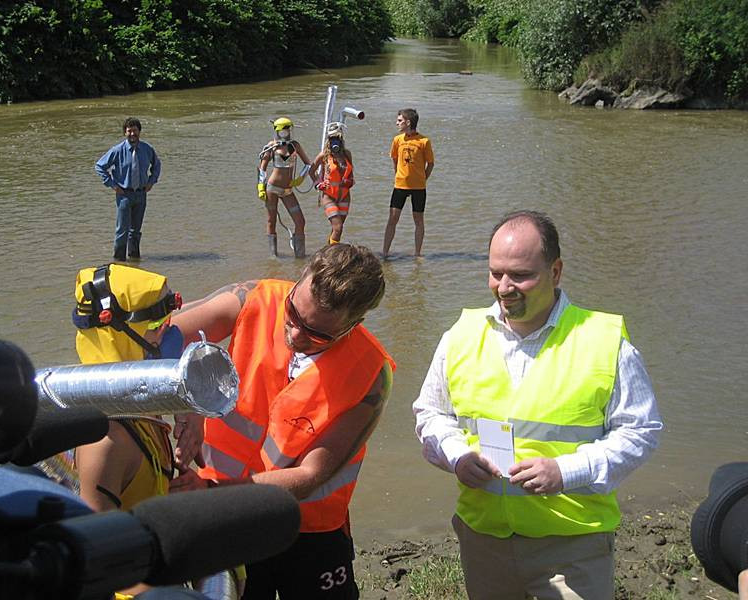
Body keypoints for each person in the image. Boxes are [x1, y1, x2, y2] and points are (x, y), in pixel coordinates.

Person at [413, 210, 663, 599]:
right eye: (496, 273)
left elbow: (640, 432)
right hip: (483, 540)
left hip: (571, 545)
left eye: (521, 275)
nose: (505, 286)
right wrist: (456, 456)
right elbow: (430, 413)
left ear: (556, 271)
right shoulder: (460, 335)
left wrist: (566, 471)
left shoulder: (604, 341)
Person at [170, 243, 395, 600]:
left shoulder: (370, 374)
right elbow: (162, 339)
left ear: (355, 323)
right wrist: (190, 404)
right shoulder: (252, 299)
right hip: (227, 514)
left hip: (309, 529)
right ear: (299, 278)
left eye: (317, 333)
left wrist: (209, 494)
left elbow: (309, 476)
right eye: (293, 312)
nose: (295, 333)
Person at [71, 263, 203, 598]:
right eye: (157, 325)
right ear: (114, 334)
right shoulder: (104, 440)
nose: (169, 334)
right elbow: (100, 564)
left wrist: (187, 409)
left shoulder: (138, 406)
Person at [95, 117, 161, 261]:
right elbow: (100, 166)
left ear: (139, 132)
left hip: (141, 194)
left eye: (135, 131)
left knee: (135, 231)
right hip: (124, 195)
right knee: (122, 231)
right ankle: (119, 262)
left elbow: (157, 165)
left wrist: (151, 181)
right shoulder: (117, 150)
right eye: (129, 131)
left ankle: (134, 260)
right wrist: (112, 184)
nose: (132, 134)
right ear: (125, 133)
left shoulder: (147, 149)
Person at [257, 117, 314, 258]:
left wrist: (300, 179)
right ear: (276, 130)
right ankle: (273, 256)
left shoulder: (295, 145)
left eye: (287, 129)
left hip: (288, 190)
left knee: (300, 221)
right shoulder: (272, 146)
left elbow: (308, 164)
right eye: (282, 129)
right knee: (271, 221)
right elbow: (262, 168)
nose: (285, 132)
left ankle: (300, 256)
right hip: (272, 188)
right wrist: (260, 187)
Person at [381, 108, 434, 259]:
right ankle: (385, 252)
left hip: (419, 187)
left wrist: (423, 178)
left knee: (418, 220)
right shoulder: (397, 140)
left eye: (399, 121)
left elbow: (430, 163)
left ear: (408, 122)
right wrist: (398, 175)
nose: (397, 123)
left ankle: (417, 254)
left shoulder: (424, 141)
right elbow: (394, 159)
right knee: (392, 219)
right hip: (400, 186)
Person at [311, 122, 355, 245]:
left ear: (341, 138)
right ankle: (333, 256)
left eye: (337, 138)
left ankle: (328, 251)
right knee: (338, 227)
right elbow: (311, 171)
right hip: (329, 196)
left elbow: (351, 174)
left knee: (337, 230)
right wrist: (318, 184)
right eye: (332, 138)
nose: (335, 141)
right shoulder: (324, 155)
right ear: (328, 139)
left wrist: (350, 181)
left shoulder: (347, 154)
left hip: (345, 195)